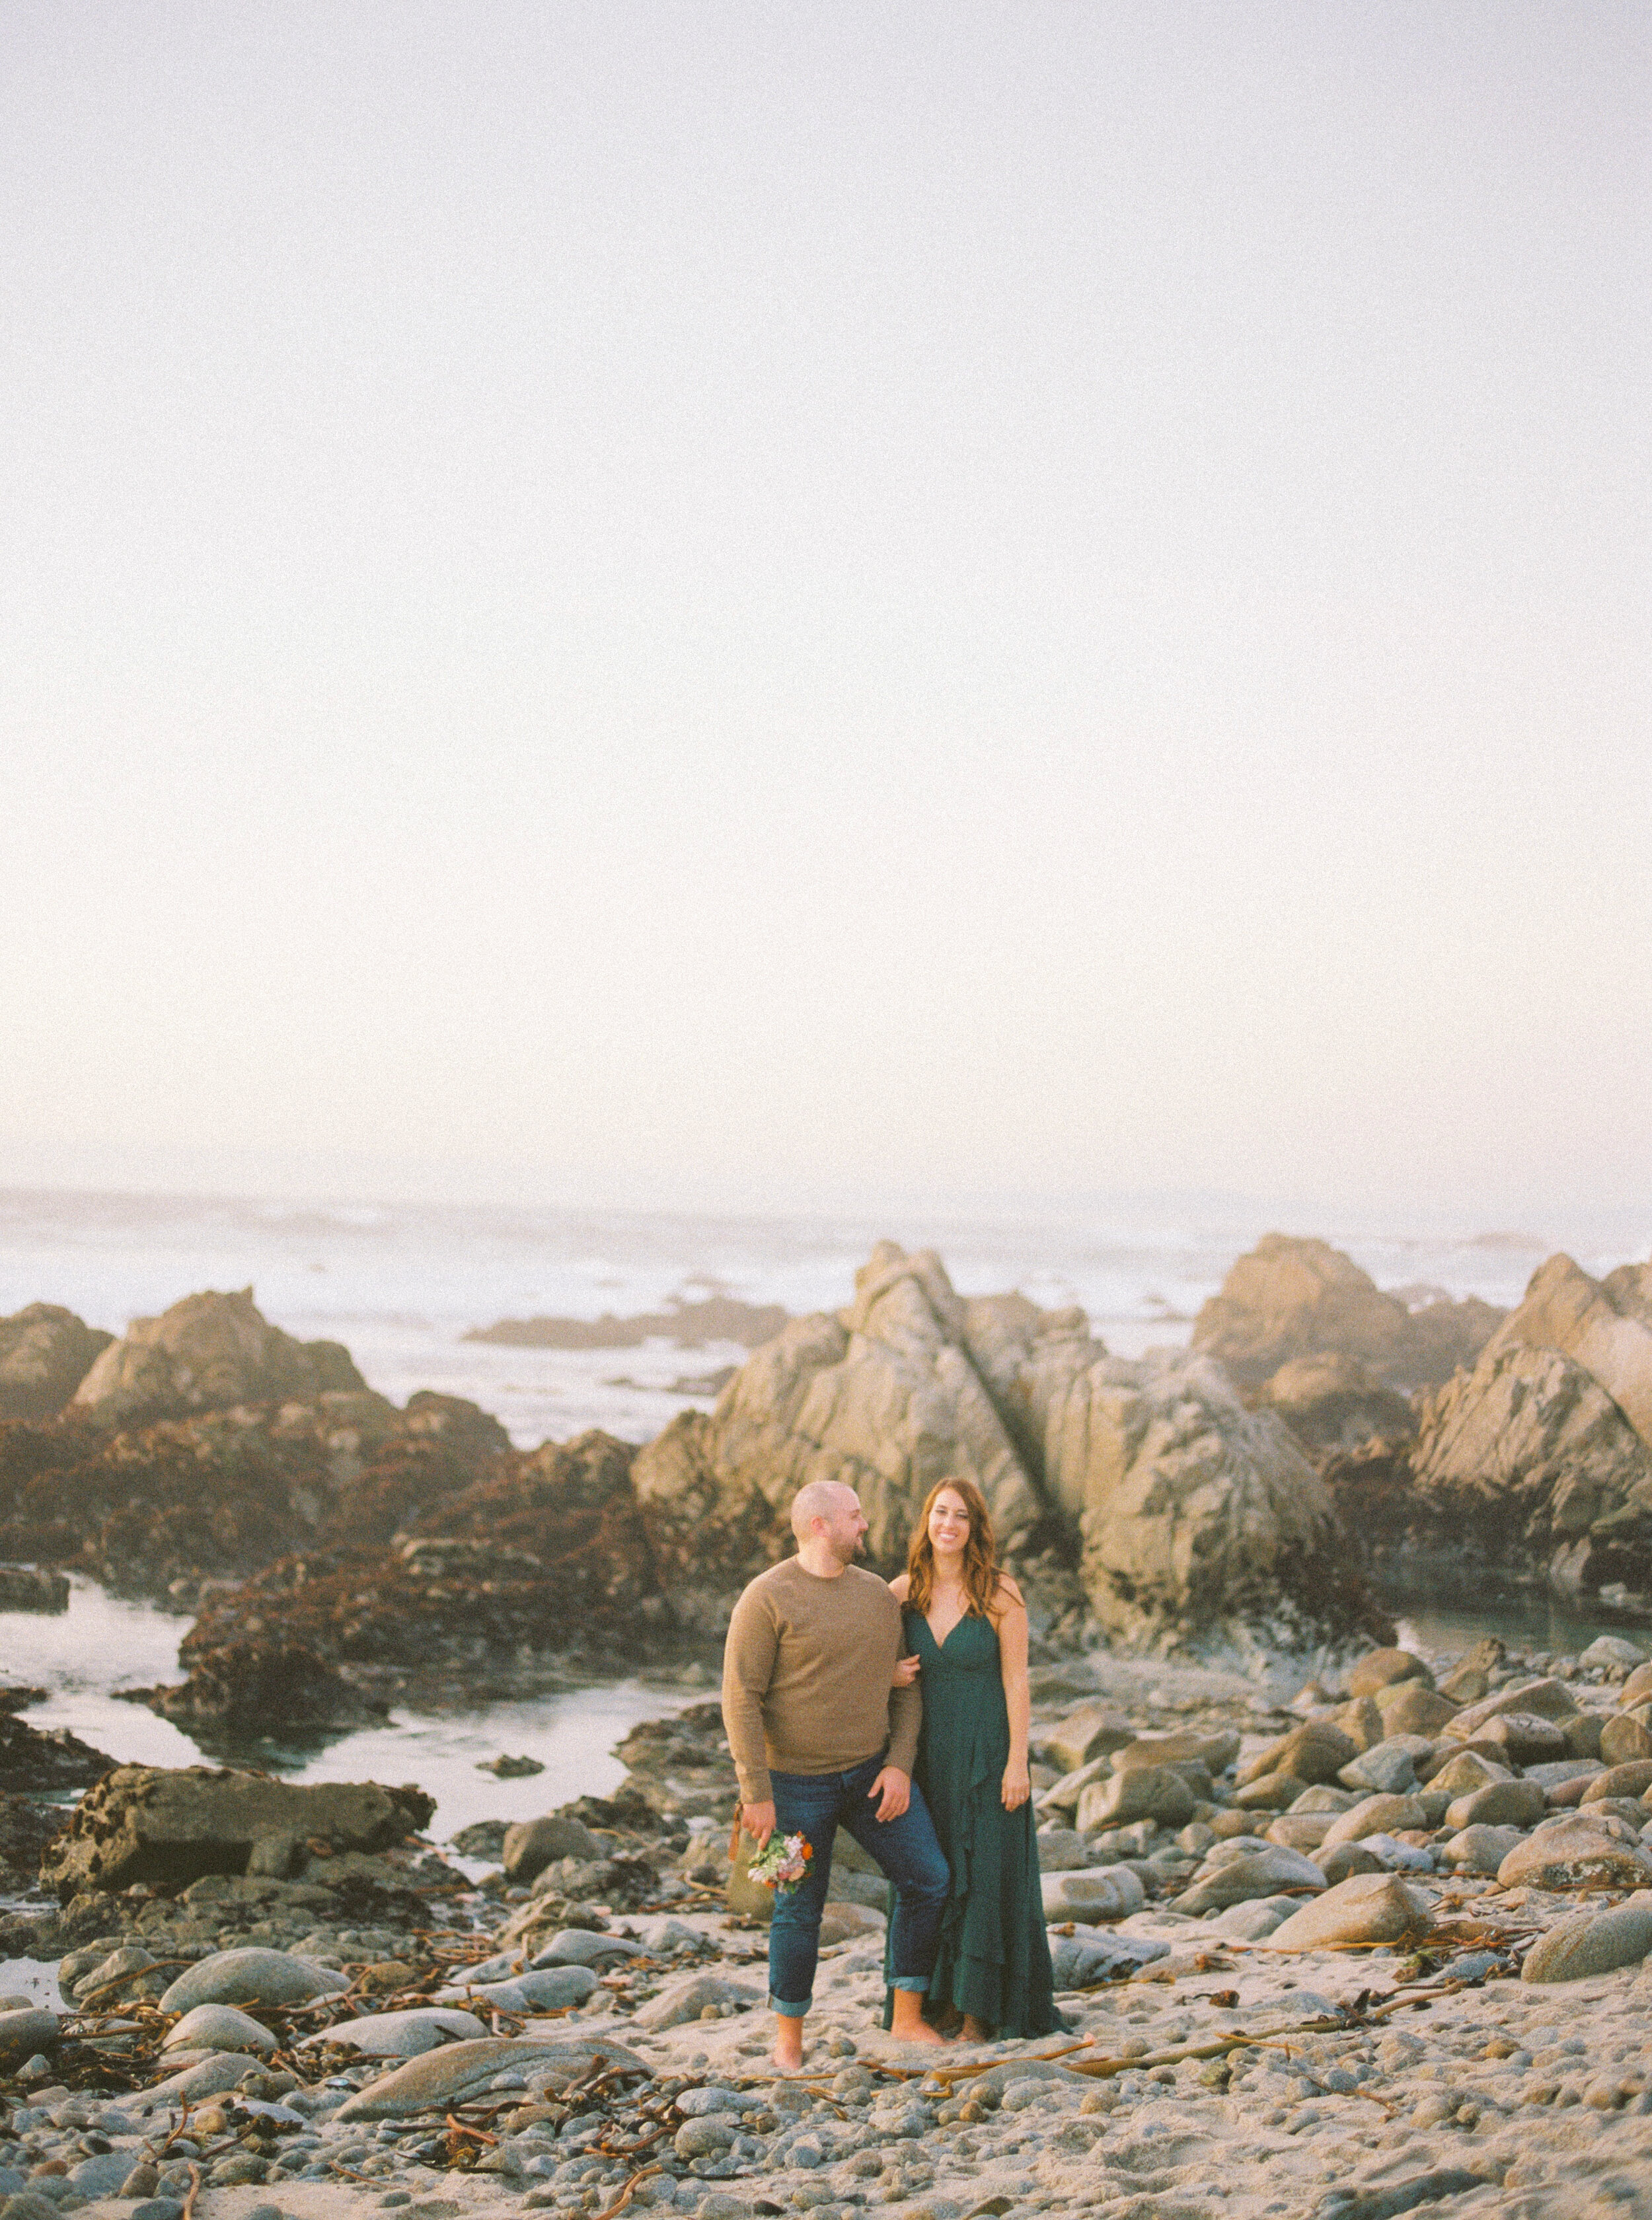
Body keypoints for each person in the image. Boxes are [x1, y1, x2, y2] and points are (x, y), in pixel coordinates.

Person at [722, 1477, 952, 2070]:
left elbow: (906, 1685)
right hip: (791, 1790)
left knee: (928, 1878)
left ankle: (906, 2018)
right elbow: (740, 1699)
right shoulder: (766, 1597)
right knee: (797, 1907)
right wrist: (757, 1795)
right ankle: (789, 2044)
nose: (865, 1524)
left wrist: (900, 1767)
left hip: (870, 1777)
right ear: (821, 1525)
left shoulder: (877, 1595)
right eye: (855, 1516)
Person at [887, 1474, 1057, 2041]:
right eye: (940, 1513)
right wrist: (884, 1673)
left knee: (984, 1878)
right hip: (927, 1761)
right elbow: (847, 1652)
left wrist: (1018, 1763)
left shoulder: (1000, 1593)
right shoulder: (901, 1593)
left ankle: (980, 2016)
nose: (949, 1525)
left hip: (987, 1756)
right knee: (936, 1878)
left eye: (961, 1515)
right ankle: (936, 2006)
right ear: (926, 1522)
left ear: (976, 1527)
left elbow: (1017, 1682)